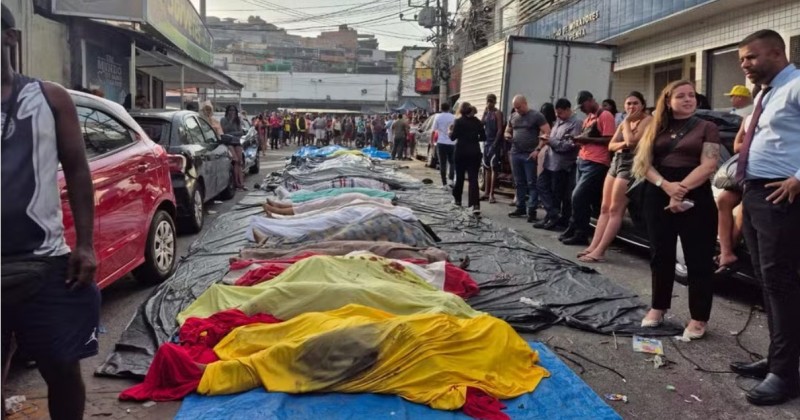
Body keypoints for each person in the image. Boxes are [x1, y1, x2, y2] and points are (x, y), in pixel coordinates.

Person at [2, 6, 99, 419]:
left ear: (10, 38)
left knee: (61, 370)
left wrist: (86, 244)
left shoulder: (48, 98)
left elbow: (77, 170)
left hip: (45, 265)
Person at [729, 29, 800, 406]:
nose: (745, 65)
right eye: (742, 59)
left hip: (781, 195)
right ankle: (779, 359)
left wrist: (798, 179)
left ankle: (785, 376)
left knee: (780, 282)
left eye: (751, 58)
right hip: (755, 192)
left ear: (776, 52)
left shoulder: (797, 85)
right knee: (766, 279)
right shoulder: (765, 93)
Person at [633, 79, 720, 341]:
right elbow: (643, 163)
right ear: (668, 101)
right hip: (658, 190)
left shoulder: (707, 127)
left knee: (699, 258)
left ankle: (698, 317)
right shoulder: (655, 126)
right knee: (661, 253)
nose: (687, 99)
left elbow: (709, 164)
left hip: (696, 192)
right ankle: (658, 307)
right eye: (680, 96)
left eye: (691, 95)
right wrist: (665, 186)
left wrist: (680, 189)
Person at [579, 92, 652, 262]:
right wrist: (624, 142)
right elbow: (612, 145)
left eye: (635, 103)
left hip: (631, 165)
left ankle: (600, 252)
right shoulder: (626, 122)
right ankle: (593, 246)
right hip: (617, 162)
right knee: (604, 207)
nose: (631, 107)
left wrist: (626, 125)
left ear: (642, 104)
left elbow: (633, 142)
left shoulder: (647, 121)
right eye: (628, 104)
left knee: (615, 209)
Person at [560, 90, 615, 245]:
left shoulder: (605, 116)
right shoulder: (589, 118)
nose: (582, 109)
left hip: (597, 162)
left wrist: (586, 139)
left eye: (583, 105)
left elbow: (609, 139)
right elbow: (587, 139)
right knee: (578, 198)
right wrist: (577, 140)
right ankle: (574, 227)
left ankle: (581, 233)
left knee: (578, 196)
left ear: (591, 100)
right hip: (583, 160)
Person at [534, 98, 582, 231]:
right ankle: (552, 214)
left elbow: (568, 146)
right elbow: (553, 138)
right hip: (550, 162)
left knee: (557, 194)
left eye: (560, 112)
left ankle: (554, 218)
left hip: (562, 165)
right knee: (541, 185)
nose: (558, 115)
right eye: (557, 113)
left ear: (568, 110)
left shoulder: (575, 124)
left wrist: (551, 141)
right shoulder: (558, 122)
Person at [504, 95, 551, 223]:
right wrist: (507, 135)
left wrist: (538, 149)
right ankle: (520, 207)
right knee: (519, 182)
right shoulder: (513, 116)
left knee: (532, 182)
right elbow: (507, 130)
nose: (517, 110)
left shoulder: (536, 116)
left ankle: (532, 210)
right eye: (515, 108)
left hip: (529, 154)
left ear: (525, 103)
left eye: (519, 107)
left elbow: (546, 132)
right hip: (515, 152)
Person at [714, 114, 748, 274]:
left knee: (745, 204)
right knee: (723, 200)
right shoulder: (749, 117)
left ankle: (727, 252)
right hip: (747, 169)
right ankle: (726, 251)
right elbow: (737, 146)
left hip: (770, 170)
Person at [450, 102, 486, 216]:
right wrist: (474, 138)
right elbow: (483, 137)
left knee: (459, 177)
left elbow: (452, 137)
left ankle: (458, 200)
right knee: (473, 179)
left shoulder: (458, 122)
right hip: (474, 152)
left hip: (461, 152)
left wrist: (450, 131)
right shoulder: (478, 122)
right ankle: (474, 205)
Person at [481, 94, 504, 204]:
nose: (489, 103)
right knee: (486, 168)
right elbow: (482, 124)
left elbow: (500, 130)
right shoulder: (487, 112)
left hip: (493, 143)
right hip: (486, 142)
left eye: (491, 101)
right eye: (487, 101)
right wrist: (484, 113)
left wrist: (495, 143)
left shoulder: (497, 113)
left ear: (494, 102)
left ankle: (491, 194)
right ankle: (486, 192)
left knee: (493, 167)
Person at [220, 105, 246, 191]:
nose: (232, 112)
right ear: (227, 111)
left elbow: (241, 132)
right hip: (229, 142)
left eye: (234, 111)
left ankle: (241, 184)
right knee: (235, 160)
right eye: (230, 110)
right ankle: (236, 183)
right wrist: (230, 121)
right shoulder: (223, 120)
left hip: (236, 142)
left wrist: (232, 133)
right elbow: (224, 131)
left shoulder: (238, 120)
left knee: (240, 161)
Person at [432, 103, 457, 189]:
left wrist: (432, 142)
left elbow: (433, 130)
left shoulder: (438, 117)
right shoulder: (453, 117)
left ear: (441, 108)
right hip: (452, 142)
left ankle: (444, 184)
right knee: (452, 162)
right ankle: (451, 180)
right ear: (449, 108)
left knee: (442, 163)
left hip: (441, 142)